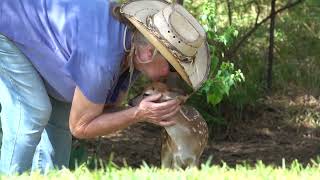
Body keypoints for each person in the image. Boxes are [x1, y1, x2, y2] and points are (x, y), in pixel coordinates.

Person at [0, 0, 210, 175]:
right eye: (173, 68)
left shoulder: (132, 54)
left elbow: (104, 109)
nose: (172, 78)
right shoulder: (103, 59)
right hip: (8, 26)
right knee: (32, 113)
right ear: (149, 53)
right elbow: (81, 127)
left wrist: (143, 111)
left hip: (44, 39)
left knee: (61, 121)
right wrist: (139, 113)